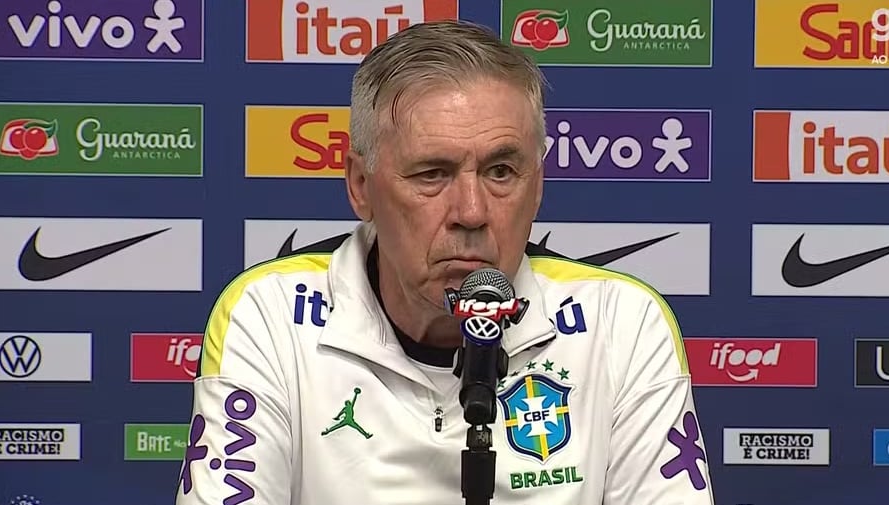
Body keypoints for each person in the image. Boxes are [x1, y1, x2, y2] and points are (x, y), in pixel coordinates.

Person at [175, 19, 715, 505]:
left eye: (501, 172)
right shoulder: (269, 315)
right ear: (360, 186)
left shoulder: (621, 323)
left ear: (538, 185)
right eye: (432, 174)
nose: (472, 212)